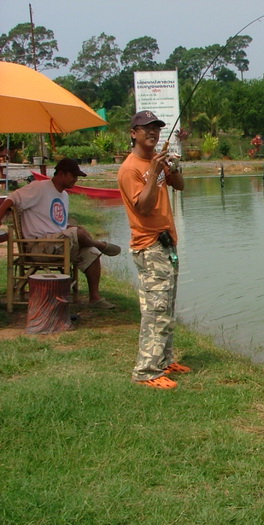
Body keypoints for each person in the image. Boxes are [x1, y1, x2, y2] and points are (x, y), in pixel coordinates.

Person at [117, 110, 189, 389]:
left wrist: (172, 168)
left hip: (167, 243)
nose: (153, 132)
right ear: (133, 133)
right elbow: (143, 207)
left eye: (157, 128)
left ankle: (164, 361)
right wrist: (154, 175)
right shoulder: (130, 168)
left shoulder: (157, 162)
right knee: (155, 311)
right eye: (146, 128)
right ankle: (146, 371)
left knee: (166, 307)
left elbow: (180, 187)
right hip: (149, 246)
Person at [0, 158, 121, 308]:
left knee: (92, 251)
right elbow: (11, 199)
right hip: (39, 246)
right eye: (73, 176)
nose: (75, 180)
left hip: (60, 243)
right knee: (77, 233)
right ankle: (101, 244)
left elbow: (59, 224)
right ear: (62, 174)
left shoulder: (64, 196)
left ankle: (94, 297)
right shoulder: (39, 187)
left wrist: (77, 230)